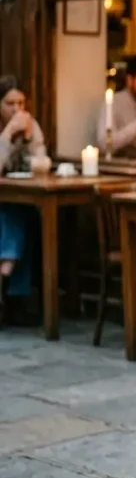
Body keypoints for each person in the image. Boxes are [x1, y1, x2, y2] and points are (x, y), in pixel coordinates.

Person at [0, 76, 47, 311]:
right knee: (15, 215)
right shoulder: (6, 129)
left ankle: (7, 282)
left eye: (21, 103)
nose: (17, 109)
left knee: (24, 213)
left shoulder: (31, 124)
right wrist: (8, 134)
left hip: (16, 196)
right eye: (10, 103)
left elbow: (42, 162)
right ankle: (13, 291)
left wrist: (29, 141)